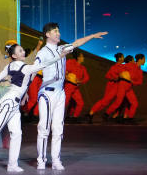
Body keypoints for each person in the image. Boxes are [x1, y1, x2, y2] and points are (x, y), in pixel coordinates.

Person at [0, 40, 63, 173]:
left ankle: (12, 164)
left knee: (16, 134)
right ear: (14, 55)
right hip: (9, 103)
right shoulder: (25, 67)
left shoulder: (11, 66)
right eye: (20, 51)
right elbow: (44, 64)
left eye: (22, 49)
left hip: (14, 105)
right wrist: (59, 56)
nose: (23, 52)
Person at [30, 24, 109, 171]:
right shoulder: (43, 52)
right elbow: (34, 69)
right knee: (44, 129)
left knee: (58, 129)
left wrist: (92, 36)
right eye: (55, 31)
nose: (58, 33)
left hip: (60, 93)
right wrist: (24, 90)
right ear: (47, 34)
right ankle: (41, 160)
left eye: (58, 31)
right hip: (47, 93)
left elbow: (77, 43)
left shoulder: (62, 49)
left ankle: (56, 160)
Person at [102, 54, 144, 123]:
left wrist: (132, 81)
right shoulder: (130, 65)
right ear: (140, 60)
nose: (144, 61)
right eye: (144, 59)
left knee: (134, 103)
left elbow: (140, 82)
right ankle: (106, 114)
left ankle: (130, 118)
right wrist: (120, 75)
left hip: (129, 87)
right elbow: (119, 68)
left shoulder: (140, 71)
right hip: (122, 85)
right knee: (118, 102)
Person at [86, 53, 125, 123]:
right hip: (113, 86)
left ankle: (110, 115)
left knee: (119, 101)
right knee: (105, 101)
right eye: (122, 57)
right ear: (119, 58)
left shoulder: (123, 66)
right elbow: (108, 75)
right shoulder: (115, 67)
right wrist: (117, 77)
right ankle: (91, 113)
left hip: (119, 86)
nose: (123, 58)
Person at [63, 49, 89, 123]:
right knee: (65, 102)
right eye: (82, 56)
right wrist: (66, 75)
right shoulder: (70, 62)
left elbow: (86, 78)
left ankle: (74, 117)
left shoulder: (83, 68)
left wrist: (80, 81)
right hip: (68, 85)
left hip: (75, 88)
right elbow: (64, 70)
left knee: (80, 103)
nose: (83, 58)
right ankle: (57, 116)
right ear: (78, 57)